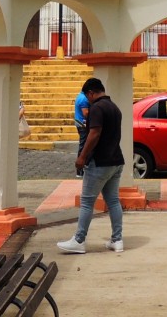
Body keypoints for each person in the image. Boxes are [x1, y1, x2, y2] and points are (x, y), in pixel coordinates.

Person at [57, 78, 124, 254]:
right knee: (113, 201)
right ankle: (117, 240)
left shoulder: (96, 108)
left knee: (87, 202)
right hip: (116, 161)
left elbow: (94, 133)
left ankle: (79, 240)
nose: (88, 100)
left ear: (91, 93)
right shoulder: (114, 108)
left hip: (99, 162)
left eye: (87, 97)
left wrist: (82, 157)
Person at [73, 89, 90, 177]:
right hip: (82, 124)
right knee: (83, 146)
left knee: (83, 145)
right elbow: (85, 113)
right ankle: (80, 170)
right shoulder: (84, 99)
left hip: (79, 122)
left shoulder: (80, 96)